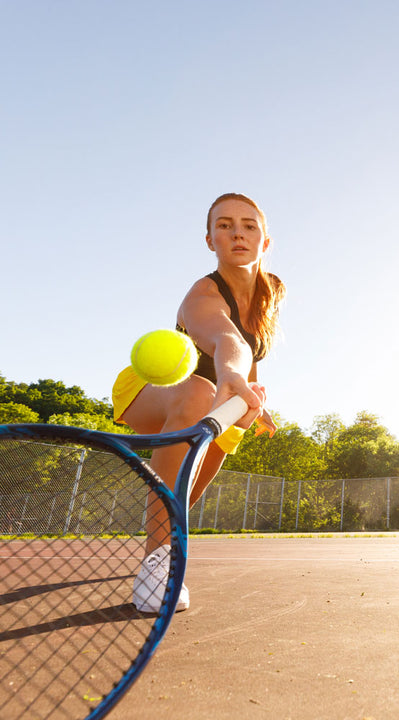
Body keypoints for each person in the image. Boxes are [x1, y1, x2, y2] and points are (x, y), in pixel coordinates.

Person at [111, 192, 285, 613]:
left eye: (248, 225)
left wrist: (250, 396)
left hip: (222, 401)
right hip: (155, 390)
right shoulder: (203, 292)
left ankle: (164, 537)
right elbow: (226, 338)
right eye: (224, 225)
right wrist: (231, 374)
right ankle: (157, 566)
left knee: (184, 495)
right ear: (210, 240)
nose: (237, 233)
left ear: (265, 241)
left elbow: (252, 350)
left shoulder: (272, 293)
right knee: (197, 391)